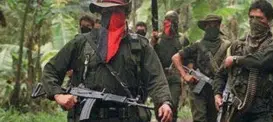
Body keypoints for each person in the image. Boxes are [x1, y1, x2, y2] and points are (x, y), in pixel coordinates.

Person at [40, 0, 173, 122]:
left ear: (125, 13)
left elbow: (156, 79)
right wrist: (58, 95)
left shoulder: (140, 46)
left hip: (127, 117)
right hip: (89, 117)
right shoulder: (82, 43)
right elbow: (51, 70)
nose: (110, 16)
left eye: (116, 11)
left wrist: (164, 102)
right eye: (106, 11)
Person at [213, 0, 273, 121]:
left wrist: (236, 59)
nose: (254, 22)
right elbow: (221, 74)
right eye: (251, 17)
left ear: (269, 20)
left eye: (259, 18)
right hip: (235, 110)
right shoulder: (238, 45)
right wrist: (217, 94)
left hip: (262, 111)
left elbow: (261, 61)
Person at [172, 14, 229, 122]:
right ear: (205, 27)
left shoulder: (227, 45)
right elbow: (176, 57)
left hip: (218, 89)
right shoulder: (198, 45)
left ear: (219, 27)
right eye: (209, 25)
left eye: (215, 25)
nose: (212, 27)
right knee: (200, 119)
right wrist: (185, 76)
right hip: (199, 88)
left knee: (216, 119)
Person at [151, 10, 189, 122]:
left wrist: (185, 76)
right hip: (159, 78)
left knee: (172, 107)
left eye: (171, 21)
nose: (167, 23)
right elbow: (148, 55)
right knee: (159, 108)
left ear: (176, 22)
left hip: (175, 78)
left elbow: (188, 59)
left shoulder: (182, 39)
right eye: (166, 20)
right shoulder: (157, 38)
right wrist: (153, 42)